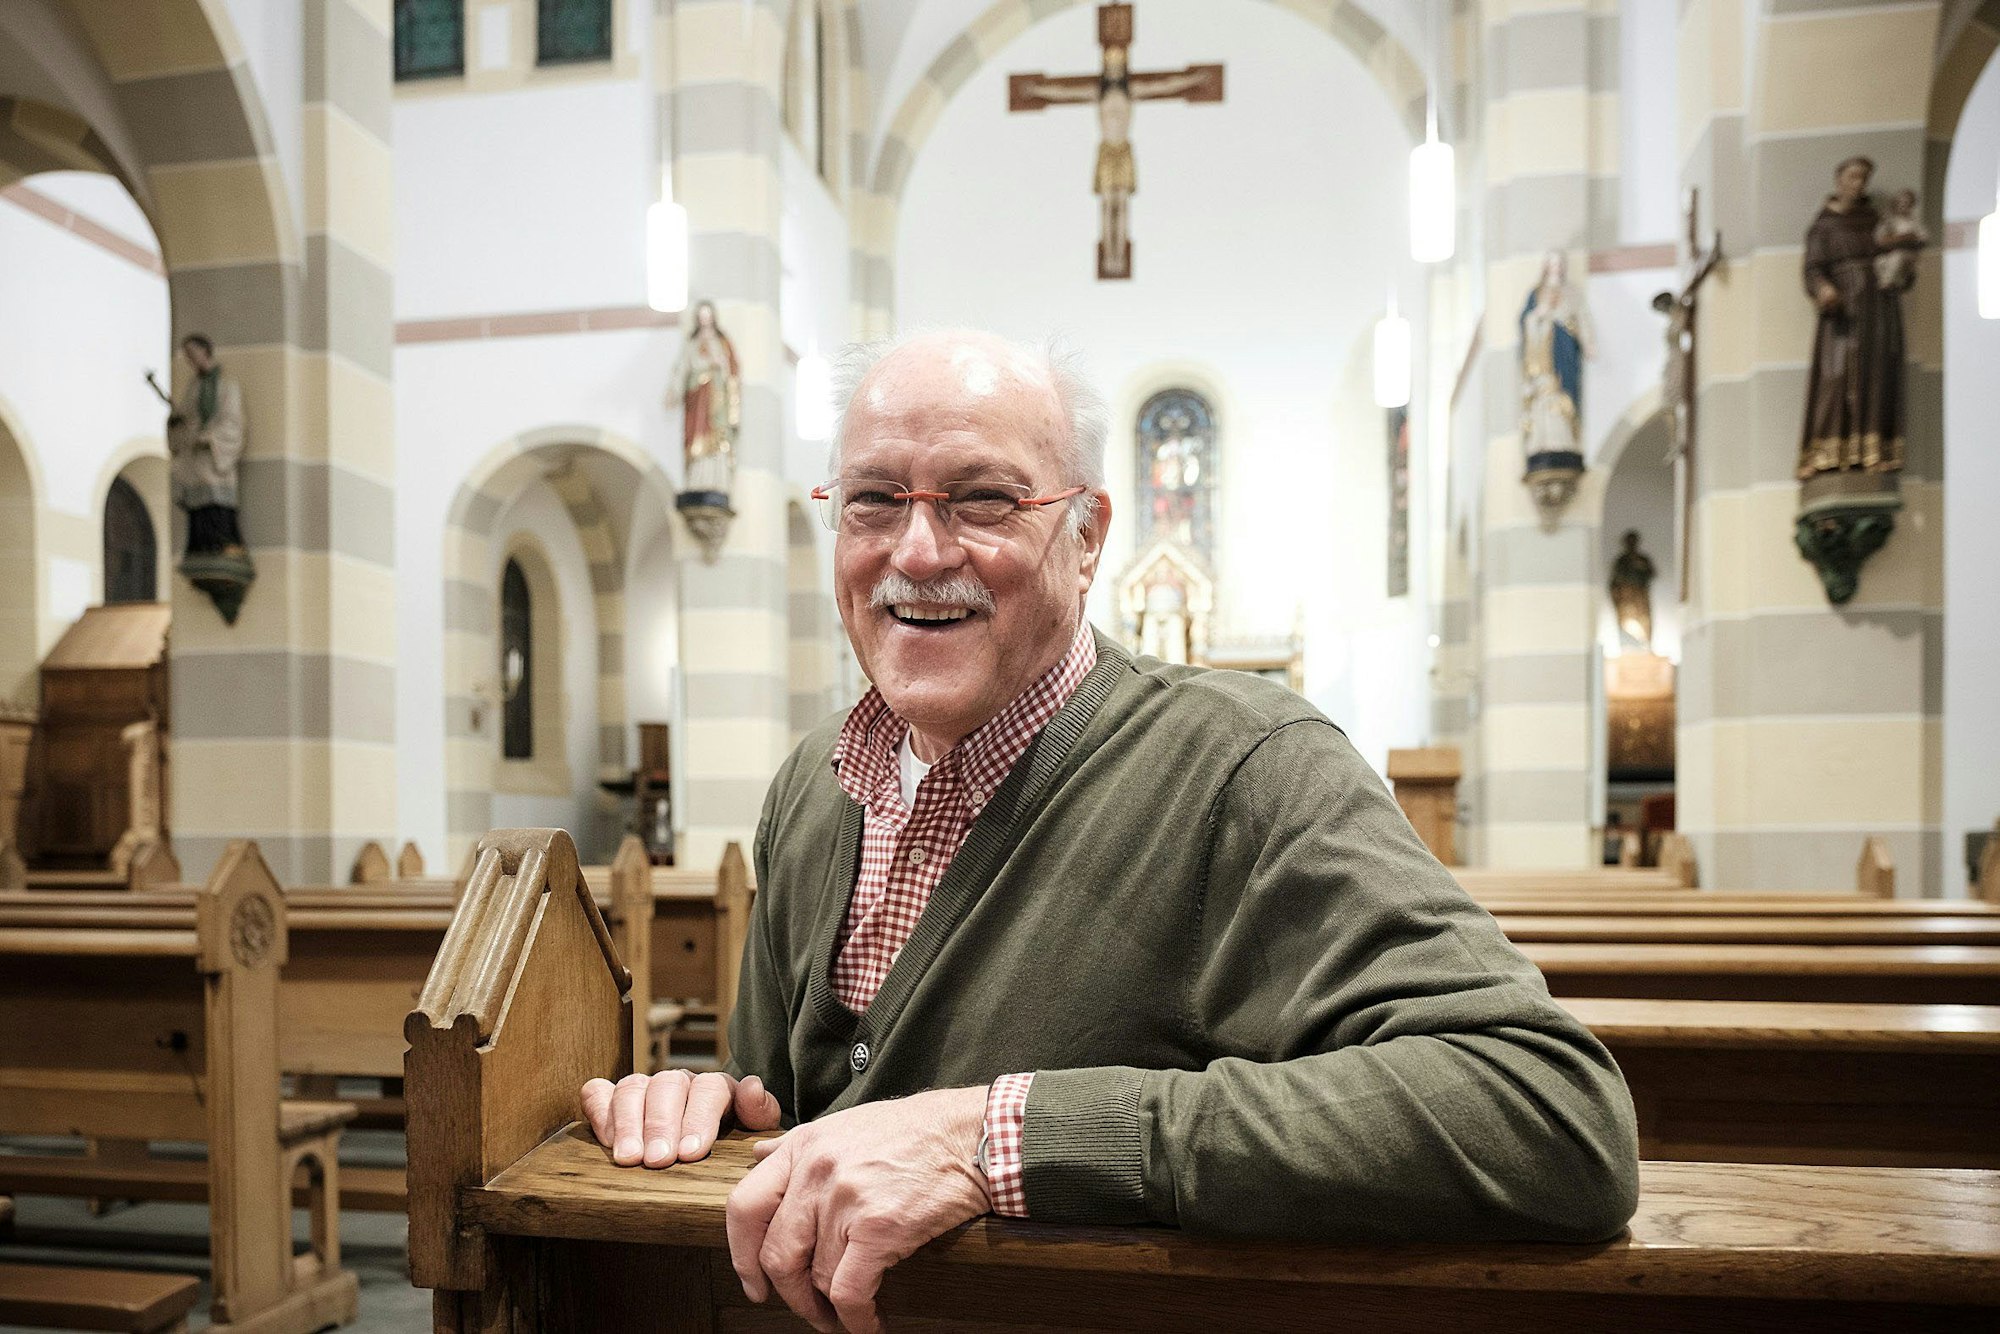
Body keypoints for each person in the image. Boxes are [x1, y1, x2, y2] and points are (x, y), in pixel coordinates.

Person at [583, 330, 1639, 1334]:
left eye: (980, 499)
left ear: (1086, 537)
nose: (914, 548)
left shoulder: (1245, 766)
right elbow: (803, 1133)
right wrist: (713, 1109)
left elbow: (1546, 1112)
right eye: (871, 502)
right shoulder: (809, 789)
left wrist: (990, 1138)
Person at [1800, 157, 1908, 479]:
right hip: (1842, 313)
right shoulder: (1823, 226)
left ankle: (1872, 451)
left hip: (1877, 308)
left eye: (1863, 178)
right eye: (1851, 177)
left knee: (1875, 378)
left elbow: (1897, 256)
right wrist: (1823, 289)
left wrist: (1901, 267)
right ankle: (1823, 453)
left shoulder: (1875, 221)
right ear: (1839, 179)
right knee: (1834, 380)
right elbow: (1812, 269)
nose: (1857, 184)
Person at [165, 334, 246, 558]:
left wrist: (210, 437)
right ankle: (200, 549)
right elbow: (187, 419)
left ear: (205, 352)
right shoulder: (192, 389)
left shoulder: (227, 386)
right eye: (188, 357)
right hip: (196, 459)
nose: (191, 361)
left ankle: (226, 546)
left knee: (217, 502)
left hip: (214, 454)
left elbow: (232, 421)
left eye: (193, 355)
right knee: (197, 506)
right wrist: (176, 422)